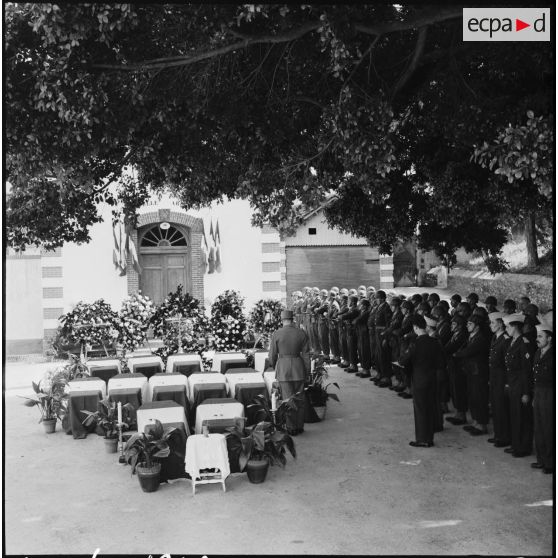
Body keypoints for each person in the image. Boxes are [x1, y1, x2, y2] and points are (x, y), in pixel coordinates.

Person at [399, 314, 445, 447]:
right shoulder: (434, 342)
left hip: (419, 380)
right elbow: (441, 363)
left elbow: (403, 361)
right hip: (432, 378)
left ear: (415, 328)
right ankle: (429, 436)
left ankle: (423, 439)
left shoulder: (415, 344)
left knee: (420, 410)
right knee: (430, 408)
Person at [268, 310, 311, 436]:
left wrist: (273, 365)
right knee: (300, 398)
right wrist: (307, 371)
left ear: (282, 320)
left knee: (288, 399)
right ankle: (299, 426)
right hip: (298, 368)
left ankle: (291, 427)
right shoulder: (301, 333)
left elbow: (272, 355)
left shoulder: (277, 333)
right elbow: (306, 355)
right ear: (292, 319)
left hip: (283, 369)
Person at [503, 313, 534, 458]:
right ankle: (516, 444)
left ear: (515, 326)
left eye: (508, 326)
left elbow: (526, 370)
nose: (506, 329)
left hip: (521, 386)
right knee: (515, 416)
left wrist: (526, 392)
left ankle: (523, 447)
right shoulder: (513, 341)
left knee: (522, 417)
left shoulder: (524, 343)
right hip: (513, 385)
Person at [454, 314, 490, 436]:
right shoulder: (472, 336)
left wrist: (456, 354)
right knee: (473, 397)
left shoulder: (480, 338)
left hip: (478, 373)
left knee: (479, 397)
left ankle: (482, 424)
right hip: (471, 371)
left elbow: (468, 351)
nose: (467, 325)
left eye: (470, 324)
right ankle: (476, 422)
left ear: (477, 326)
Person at [531, 320, 554, 474]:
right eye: (537, 336)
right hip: (539, 392)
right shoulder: (538, 352)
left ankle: (551, 463)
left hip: (550, 393)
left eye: (540, 336)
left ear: (550, 338)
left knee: (549, 428)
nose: (537, 339)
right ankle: (541, 459)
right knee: (539, 427)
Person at [487, 312, 511, 448]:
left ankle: (504, 437)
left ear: (501, 324)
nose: (491, 325)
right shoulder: (495, 337)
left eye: (493, 323)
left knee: (502, 408)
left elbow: (507, 363)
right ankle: (498, 434)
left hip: (501, 378)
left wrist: (507, 382)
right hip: (494, 377)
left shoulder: (506, 339)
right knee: (496, 406)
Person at [444, 315, 469, 425]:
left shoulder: (462, 335)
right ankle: (458, 413)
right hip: (452, 365)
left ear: (460, 325)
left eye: (454, 324)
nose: (451, 326)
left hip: (459, 367)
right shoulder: (455, 334)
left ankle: (461, 414)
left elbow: (451, 348)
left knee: (459, 390)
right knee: (454, 389)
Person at [373, 290, 393, 387]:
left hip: (383, 334)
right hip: (377, 333)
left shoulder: (386, 308)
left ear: (382, 298)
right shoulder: (378, 307)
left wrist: (386, 337)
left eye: (378, 298)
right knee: (378, 355)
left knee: (384, 356)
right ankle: (380, 374)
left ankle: (386, 378)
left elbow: (388, 324)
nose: (376, 300)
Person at [341, 295, 360, 373]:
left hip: (352, 331)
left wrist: (341, 317)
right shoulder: (352, 309)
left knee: (352, 348)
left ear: (352, 302)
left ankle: (354, 366)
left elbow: (346, 316)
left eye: (349, 301)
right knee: (350, 348)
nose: (348, 302)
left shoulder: (355, 309)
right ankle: (352, 364)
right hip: (349, 330)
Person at [355, 298, 372, 378]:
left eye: (361, 304)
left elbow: (357, 320)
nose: (359, 305)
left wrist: (354, 321)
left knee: (365, 351)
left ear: (365, 306)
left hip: (365, 334)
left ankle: (366, 370)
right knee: (361, 351)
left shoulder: (367, 312)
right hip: (360, 333)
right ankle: (363, 369)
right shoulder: (361, 312)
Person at [327, 289, 341, 364]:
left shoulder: (334, 304)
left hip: (334, 325)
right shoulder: (331, 303)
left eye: (329, 296)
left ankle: (337, 357)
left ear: (332, 297)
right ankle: (335, 356)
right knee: (332, 341)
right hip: (331, 325)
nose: (328, 297)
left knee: (335, 341)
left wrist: (326, 315)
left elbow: (332, 315)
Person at [316, 289, 330, 360]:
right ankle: (325, 353)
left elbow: (319, 310)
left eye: (321, 295)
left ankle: (326, 354)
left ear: (324, 296)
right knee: (322, 338)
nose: (320, 296)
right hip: (321, 322)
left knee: (324, 338)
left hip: (324, 323)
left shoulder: (326, 302)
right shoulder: (323, 302)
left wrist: (317, 310)